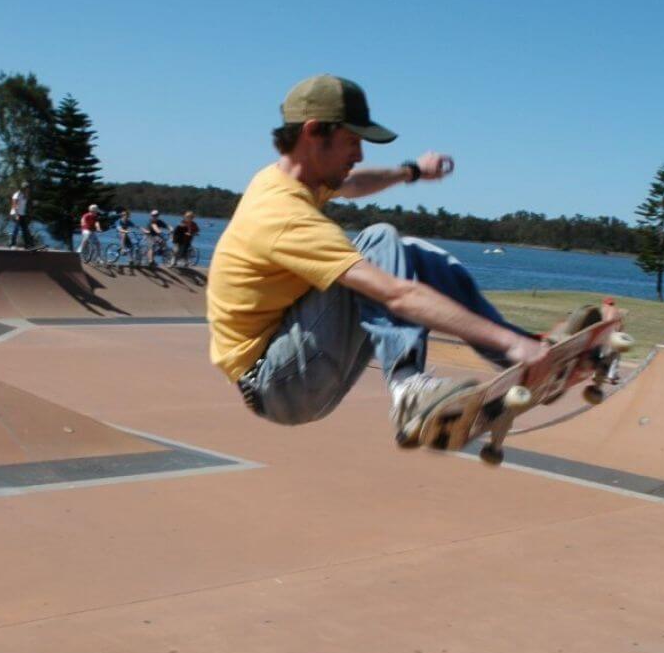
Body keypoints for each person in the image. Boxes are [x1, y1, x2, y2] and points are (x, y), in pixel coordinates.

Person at [206, 74, 558, 448]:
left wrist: (413, 172)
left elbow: (353, 183)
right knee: (380, 242)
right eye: (352, 141)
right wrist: (507, 341)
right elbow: (396, 295)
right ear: (313, 132)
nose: (359, 154)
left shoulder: (298, 178)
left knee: (412, 254)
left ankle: (522, 356)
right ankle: (411, 388)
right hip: (277, 382)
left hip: (290, 369)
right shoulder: (280, 213)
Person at [9, 181, 36, 249]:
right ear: (23, 188)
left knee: (25, 229)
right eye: (27, 188)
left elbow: (24, 205)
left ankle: (27, 245)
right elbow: (14, 204)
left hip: (22, 214)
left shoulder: (25, 195)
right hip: (16, 213)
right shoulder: (18, 194)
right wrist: (16, 214)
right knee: (16, 229)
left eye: (28, 188)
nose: (28, 189)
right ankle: (12, 245)